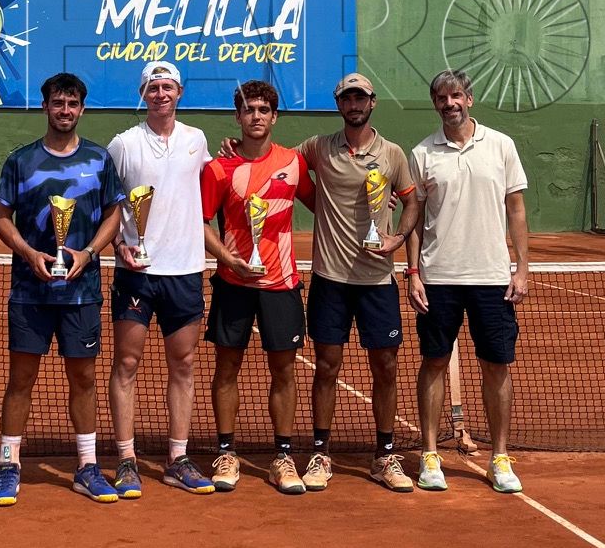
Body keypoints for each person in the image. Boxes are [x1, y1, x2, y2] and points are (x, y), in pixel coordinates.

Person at [0, 72, 125, 506]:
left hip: (81, 292)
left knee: (83, 377)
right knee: (21, 379)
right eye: (57, 102)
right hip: (31, 292)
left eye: (72, 103)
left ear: (81, 109)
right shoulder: (20, 160)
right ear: (45, 106)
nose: (64, 110)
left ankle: (87, 466)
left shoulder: (101, 160)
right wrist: (29, 253)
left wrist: (86, 253)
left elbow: (113, 216)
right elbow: (2, 218)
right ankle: (9, 466)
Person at [406, 69, 529, 494]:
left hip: (493, 278)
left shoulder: (501, 146)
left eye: (455, 95)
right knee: (434, 362)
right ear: (436, 104)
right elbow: (414, 220)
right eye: (441, 98)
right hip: (438, 278)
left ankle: (499, 457)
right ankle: (429, 455)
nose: (449, 103)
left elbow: (516, 208)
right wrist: (414, 272)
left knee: (496, 365)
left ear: (469, 99)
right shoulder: (422, 153)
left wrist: (523, 268)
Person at [297, 73, 422, 492]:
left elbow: (411, 200)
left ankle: (384, 456)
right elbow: (280, 163)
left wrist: (398, 238)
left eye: (361, 97)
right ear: (339, 104)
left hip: (377, 281)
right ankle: (319, 452)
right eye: (347, 98)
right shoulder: (319, 147)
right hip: (329, 279)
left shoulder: (392, 154)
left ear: (373, 103)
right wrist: (235, 148)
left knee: (386, 367)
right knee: (327, 368)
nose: (355, 104)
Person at [200, 79, 315, 494]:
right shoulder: (218, 168)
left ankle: (282, 457)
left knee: (283, 369)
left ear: (274, 116)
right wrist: (227, 258)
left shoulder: (294, 163)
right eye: (249, 110)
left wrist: (380, 203)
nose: (256, 117)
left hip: (282, 283)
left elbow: (327, 205)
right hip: (233, 281)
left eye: (264, 110)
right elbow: (201, 221)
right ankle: (226, 452)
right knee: (226, 367)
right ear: (238, 116)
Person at [106, 60, 215, 495]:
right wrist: (117, 247)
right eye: (153, 87)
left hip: (185, 270)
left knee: (183, 364)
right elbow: (108, 204)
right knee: (127, 364)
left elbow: (209, 181)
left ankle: (178, 457)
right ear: (143, 94)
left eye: (168, 87)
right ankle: (127, 458)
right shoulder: (123, 144)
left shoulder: (196, 139)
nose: (161, 94)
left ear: (180, 93)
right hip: (137, 273)